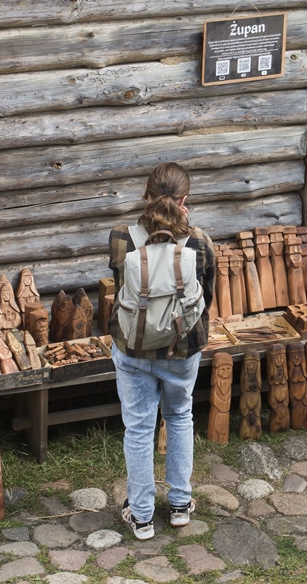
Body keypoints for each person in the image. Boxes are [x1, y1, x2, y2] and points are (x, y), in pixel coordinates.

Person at [108, 162, 215, 540]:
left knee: (138, 428)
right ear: (186, 200)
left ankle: (141, 516)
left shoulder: (122, 236)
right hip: (181, 346)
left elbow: (121, 284)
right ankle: (181, 505)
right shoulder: (199, 241)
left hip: (134, 347)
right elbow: (209, 296)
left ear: (145, 192)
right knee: (180, 416)